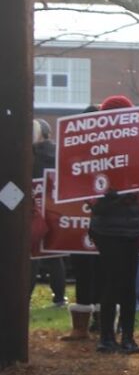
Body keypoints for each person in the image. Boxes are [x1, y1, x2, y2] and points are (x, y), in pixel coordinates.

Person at [87, 95, 139, 353]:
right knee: (112, 280)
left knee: (127, 282)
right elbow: (88, 186)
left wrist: (135, 193)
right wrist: (116, 195)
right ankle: (108, 336)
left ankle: (126, 336)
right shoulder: (96, 147)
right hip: (107, 225)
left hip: (130, 224)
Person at [30, 119, 67, 308]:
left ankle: (24, 298)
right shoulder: (59, 153)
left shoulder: (29, 154)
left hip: (34, 207)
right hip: (54, 209)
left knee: (31, 255)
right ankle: (59, 298)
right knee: (54, 256)